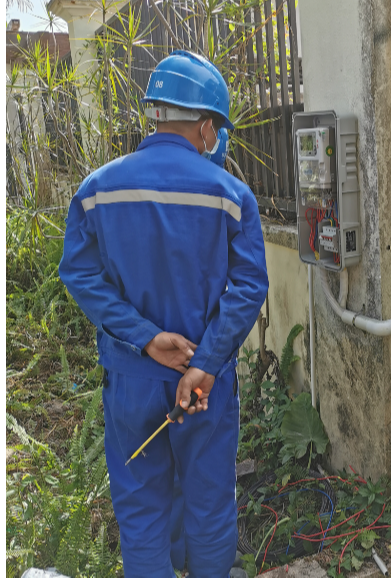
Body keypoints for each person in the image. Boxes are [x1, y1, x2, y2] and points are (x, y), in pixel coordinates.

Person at [59, 50, 269, 578]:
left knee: (141, 508)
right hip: (202, 382)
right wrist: (206, 364)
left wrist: (147, 339)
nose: (214, 139)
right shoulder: (231, 195)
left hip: (132, 382)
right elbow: (248, 287)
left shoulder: (95, 191)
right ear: (203, 126)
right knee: (209, 502)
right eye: (215, 129)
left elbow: (81, 276)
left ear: (156, 115)